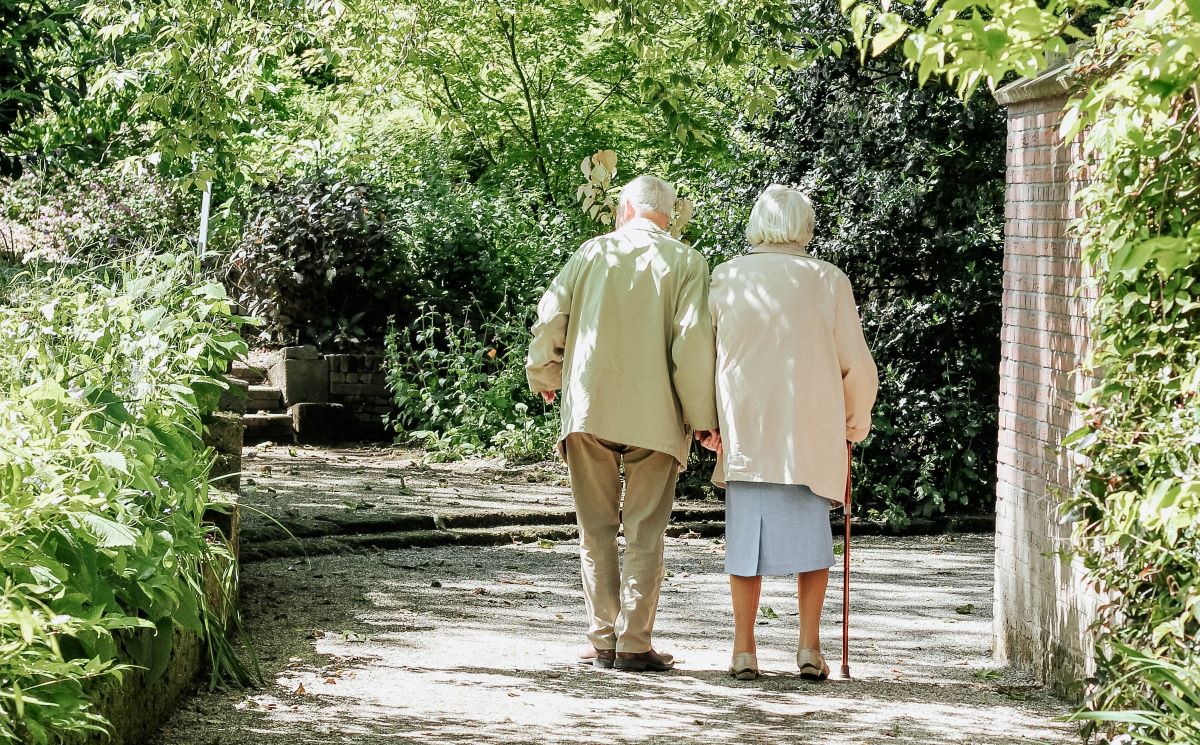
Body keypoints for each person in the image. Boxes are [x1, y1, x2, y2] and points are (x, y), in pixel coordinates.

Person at [526, 174, 719, 672]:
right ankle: (634, 643)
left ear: (625, 209)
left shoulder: (591, 253)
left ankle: (602, 639)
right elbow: (692, 344)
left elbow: (551, 318)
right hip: (657, 416)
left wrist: (544, 372)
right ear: (669, 216)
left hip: (591, 407)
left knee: (595, 529)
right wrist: (703, 419)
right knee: (645, 531)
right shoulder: (687, 262)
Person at [703, 184, 878, 681]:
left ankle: (743, 649)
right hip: (810, 431)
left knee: (744, 544)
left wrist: (707, 421)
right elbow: (856, 365)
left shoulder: (726, 277)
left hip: (747, 430)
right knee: (812, 543)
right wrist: (854, 421)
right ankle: (808, 647)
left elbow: (704, 358)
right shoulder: (828, 281)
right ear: (805, 226)